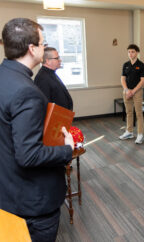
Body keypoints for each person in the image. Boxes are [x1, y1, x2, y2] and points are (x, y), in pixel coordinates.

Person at [0, 18, 74, 242]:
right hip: (32, 199)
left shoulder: (5, 77)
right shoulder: (26, 91)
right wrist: (67, 149)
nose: (44, 47)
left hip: (7, 189)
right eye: (43, 43)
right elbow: (29, 155)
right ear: (32, 49)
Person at [119, 44, 144, 144]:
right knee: (129, 112)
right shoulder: (125, 64)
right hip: (126, 91)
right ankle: (129, 131)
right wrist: (126, 90)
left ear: (137, 52)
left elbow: (143, 81)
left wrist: (133, 91)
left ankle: (140, 134)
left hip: (137, 92)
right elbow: (122, 78)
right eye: (129, 52)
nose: (130, 54)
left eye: (133, 52)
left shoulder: (142, 65)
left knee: (139, 113)